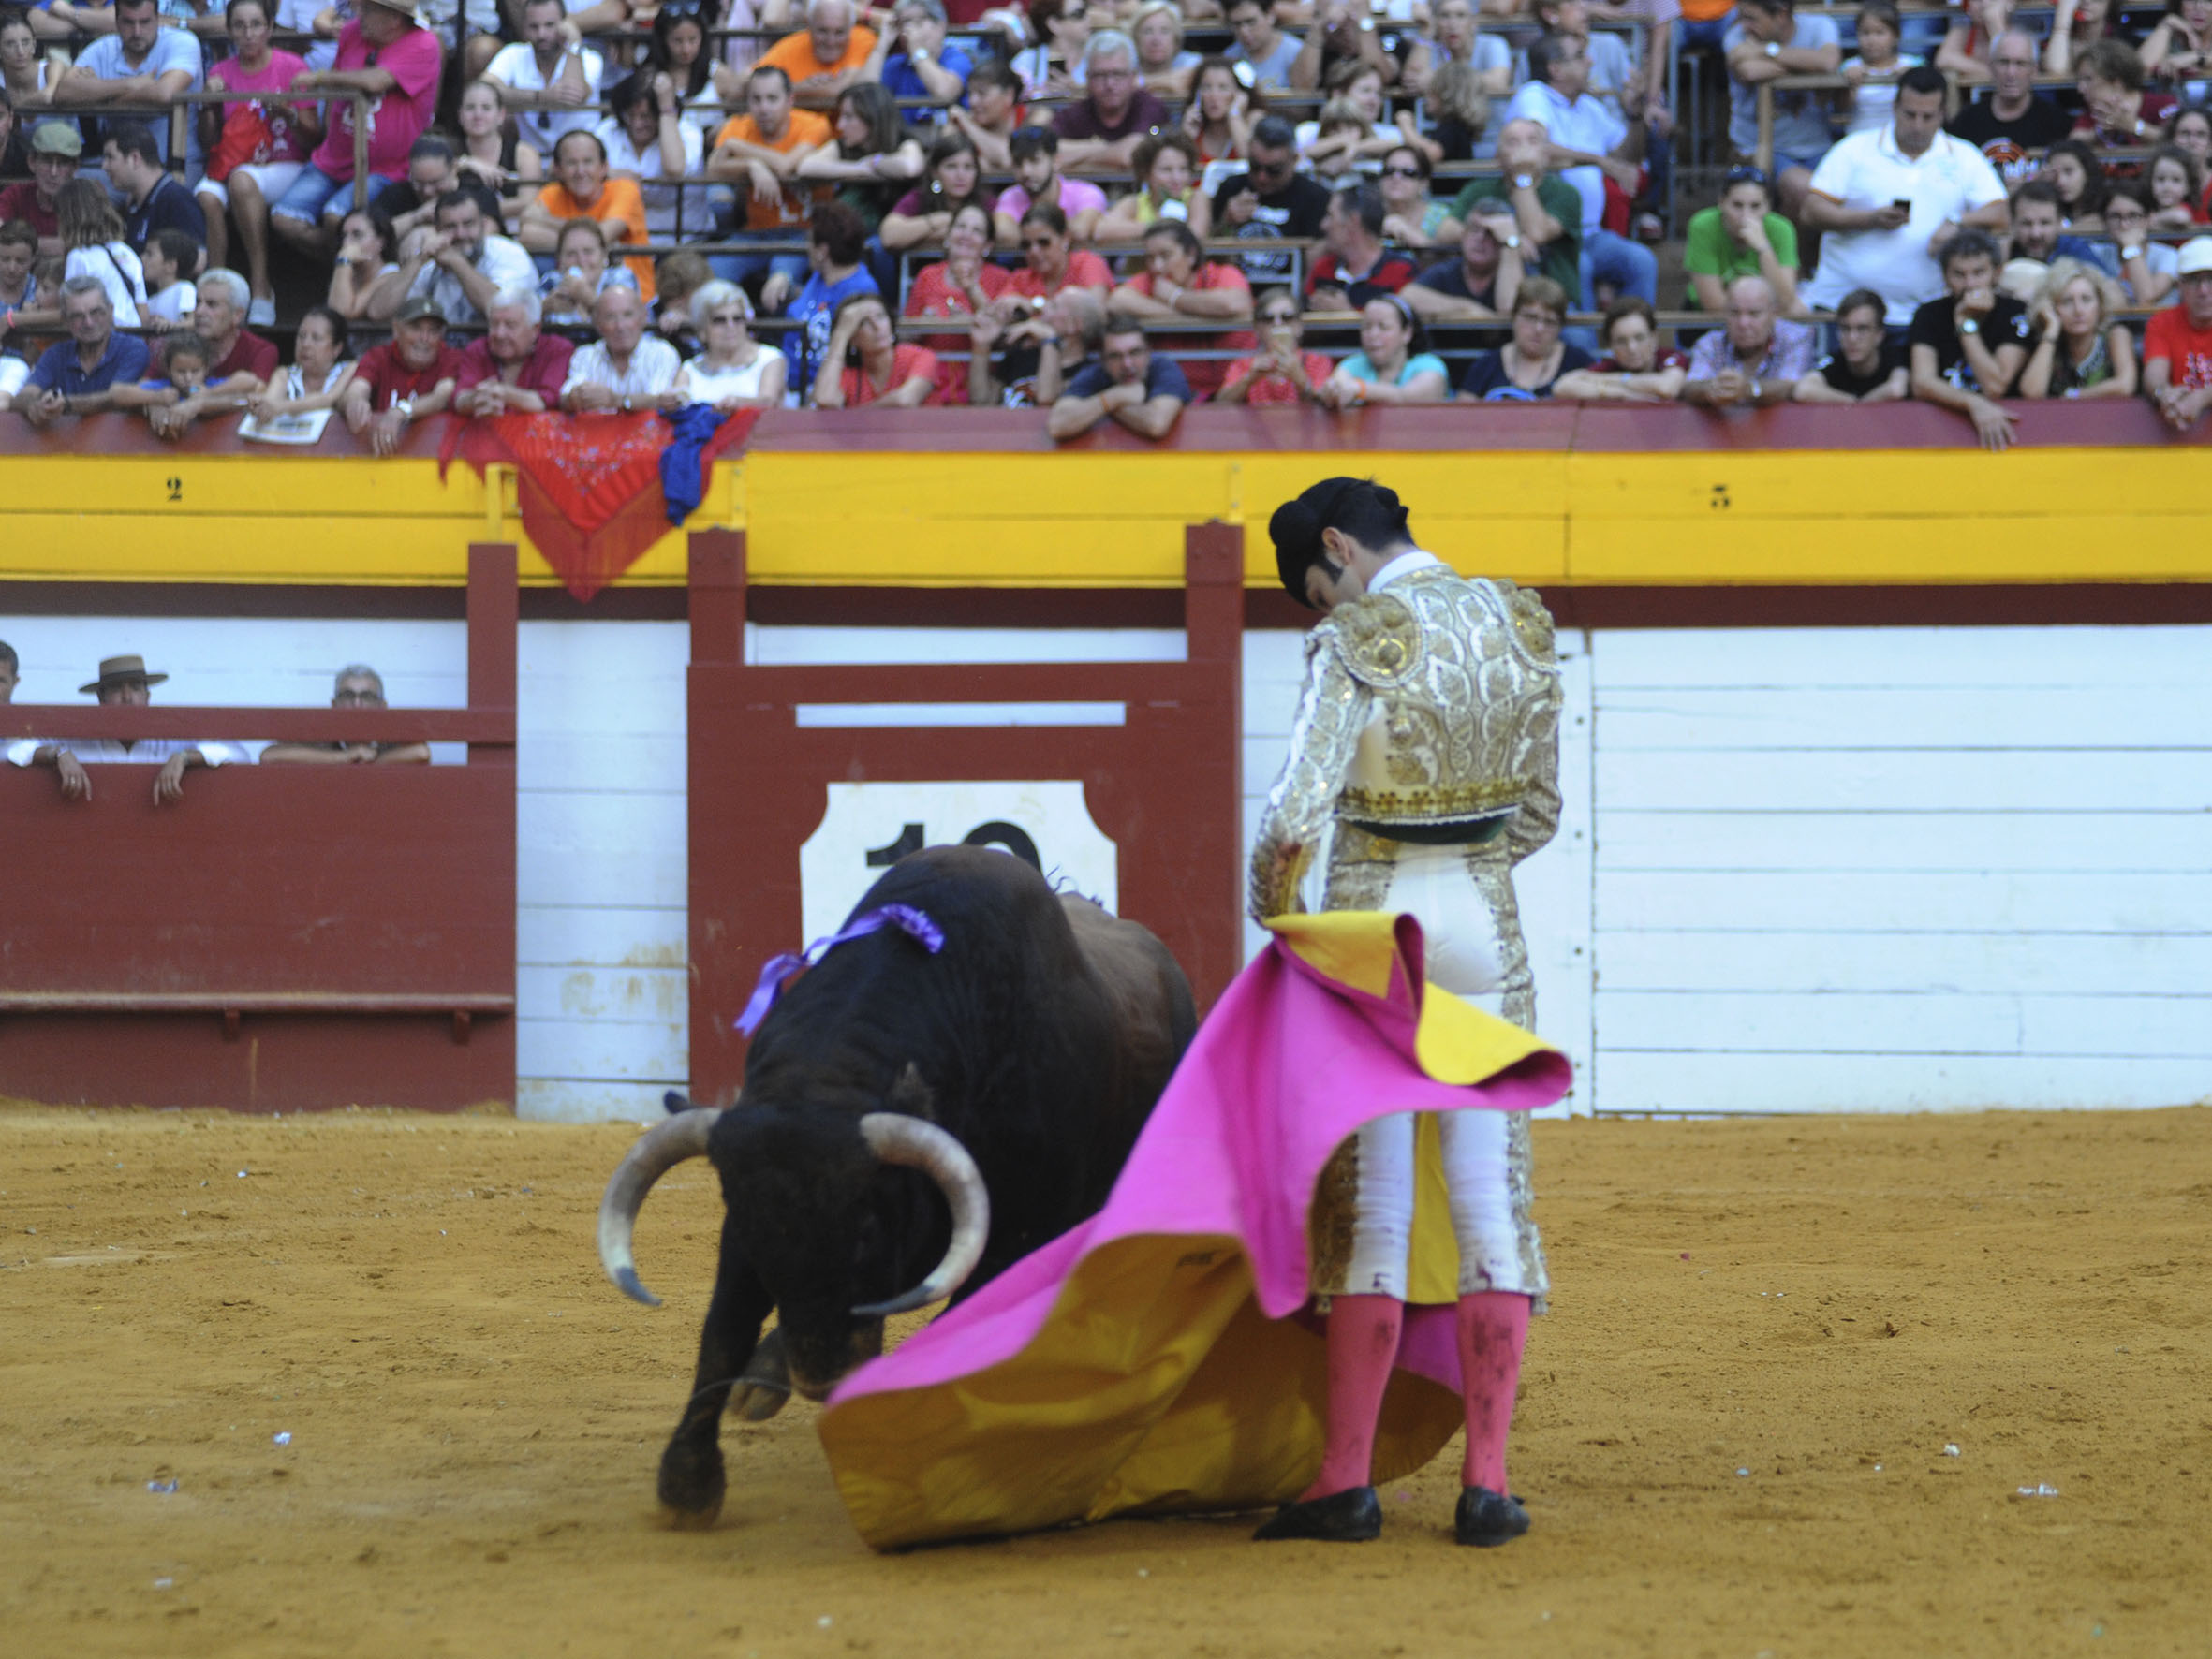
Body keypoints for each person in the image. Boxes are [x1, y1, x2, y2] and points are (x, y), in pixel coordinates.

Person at [1250, 475, 1560, 1550]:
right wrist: (1470, 866)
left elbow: (1292, 817)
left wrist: (1285, 923)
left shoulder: (1359, 639)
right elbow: (1541, 810)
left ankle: (1345, 1483)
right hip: (1488, 924)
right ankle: (1487, 1486)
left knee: (1375, 1209)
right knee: (1491, 1205)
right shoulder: (1519, 621)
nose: (1325, 608)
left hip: (1377, 930)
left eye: (1316, 585)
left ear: (1337, 544)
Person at [1802, 66, 2011, 326]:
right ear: (1895, 107)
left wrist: (1957, 222)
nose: (1917, 125)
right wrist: (1869, 219)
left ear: (1943, 114)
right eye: (1909, 115)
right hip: (1844, 311)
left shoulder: (1964, 156)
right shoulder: (1854, 149)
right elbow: (1810, 211)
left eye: (1928, 116)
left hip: (1925, 314)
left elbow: (2000, 213)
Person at [273, 0, 442, 260]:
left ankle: (345, 272)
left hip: (386, 168)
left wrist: (319, 78)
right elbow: (337, 77)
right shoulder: (352, 32)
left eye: (369, 8)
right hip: (333, 158)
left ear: (395, 18)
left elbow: (376, 81)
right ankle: (340, 260)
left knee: (336, 217)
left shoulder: (424, 43)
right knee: (283, 218)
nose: (358, 13)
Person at [1506, 31, 1655, 309]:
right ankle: (1582, 346)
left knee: (1641, 260)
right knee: (1581, 265)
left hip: (1591, 233)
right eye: (1580, 57)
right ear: (1556, 69)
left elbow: (1627, 156)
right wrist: (1599, 160)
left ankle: (1635, 341)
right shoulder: (1535, 95)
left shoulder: (1588, 107)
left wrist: (1635, 116)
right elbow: (1538, 148)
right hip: (1551, 235)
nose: (1590, 62)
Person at [196, 0, 315, 326]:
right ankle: (215, 291)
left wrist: (288, 113)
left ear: (270, 27)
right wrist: (208, 103)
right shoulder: (220, 72)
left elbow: (312, 139)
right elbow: (208, 141)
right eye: (240, 25)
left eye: (256, 24)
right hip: (234, 161)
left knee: (241, 180)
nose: (248, 34)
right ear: (230, 29)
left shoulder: (293, 67)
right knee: (207, 195)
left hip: (284, 162)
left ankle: (261, 286)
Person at [7, 654, 244, 804]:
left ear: (148, 697)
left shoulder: (170, 741)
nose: (128, 697)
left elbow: (238, 753)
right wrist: (57, 754)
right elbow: (11, 749)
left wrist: (183, 758)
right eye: (117, 688)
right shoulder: (78, 740)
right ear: (101, 698)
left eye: (136, 688)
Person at [708, 64, 832, 300]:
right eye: (756, 99)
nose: (764, 108)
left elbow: (786, 167)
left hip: (803, 232)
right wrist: (751, 166)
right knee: (712, 274)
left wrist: (740, 148)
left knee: (779, 282)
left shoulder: (814, 125)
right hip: (754, 233)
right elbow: (713, 169)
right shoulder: (738, 126)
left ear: (790, 100)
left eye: (772, 99)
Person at [1908, 228, 2032, 450]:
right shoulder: (1928, 314)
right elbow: (1922, 382)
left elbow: (1994, 386)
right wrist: (1973, 403)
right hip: (1939, 428)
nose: (1969, 284)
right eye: (1959, 274)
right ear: (1945, 276)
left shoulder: (2015, 312)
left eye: (1978, 272)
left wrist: (1966, 325)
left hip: (2012, 431)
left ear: (1997, 273)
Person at [1108, 216, 1254, 399]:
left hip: (1232, 391)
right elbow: (1117, 301)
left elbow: (1235, 303)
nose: (1157, 266)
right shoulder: (1150, 281)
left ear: (1191, 255)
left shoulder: (1221, 273)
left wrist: (1175, 297)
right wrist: (1188, 313)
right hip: (1173, 393)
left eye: (1165, 256)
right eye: (1150, 258)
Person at [1439, 119, 1582, 302]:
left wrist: (1522, 176)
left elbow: (1537, 233)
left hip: (1553, 303)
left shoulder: (1565, 193)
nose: (1523, 150)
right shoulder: (1478, 189)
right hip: (1488, 296)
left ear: (1546, 155)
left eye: (1532, 141)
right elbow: (1445, 232)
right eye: (1513, 142)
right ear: (1498, 157)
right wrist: (1507, 238)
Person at [1722, 0, 1841, 215]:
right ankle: (1793, 250)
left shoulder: (1820, 26)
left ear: (1781, 15)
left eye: (1752, 18)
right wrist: (1807, 67)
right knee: (1803, 189)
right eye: (1742, 17)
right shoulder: (1736, 36)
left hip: (1817, 146)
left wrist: (1766, 50)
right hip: (1761, 147)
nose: (1744, 26)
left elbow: (1828, 63)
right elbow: (1751, 72)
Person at [52, 0, 203, 168]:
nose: (137, 32)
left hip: (172, 164)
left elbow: (164, 93)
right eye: (128, 22)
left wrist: (101, 96)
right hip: (114, 168)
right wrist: (132, 84)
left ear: (158, 19)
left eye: (144, 22)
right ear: (117, 22)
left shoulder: (182, 41)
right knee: (74, 186)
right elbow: (63, 92)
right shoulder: (103, 47)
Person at [143, 267, 278, 439]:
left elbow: (257, 398)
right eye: (198, 302)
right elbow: (143, 386)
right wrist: (153, 404)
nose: (199, 312)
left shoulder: (262, 350)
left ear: (237, 315)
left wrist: (202, 403)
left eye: (211, 304)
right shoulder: (178, 345)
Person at [525, 131, 656, 300]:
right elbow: (527, 232)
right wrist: (591, 242)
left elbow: (602, 234)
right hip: (568, 302)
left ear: (604, 167)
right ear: (558, 169)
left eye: (588, 162)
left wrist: (552, 227)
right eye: (571, 163)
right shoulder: (552, 193)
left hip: (630, 300)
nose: (580, 171)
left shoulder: (625, 189)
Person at [902, 199, 1009, 403]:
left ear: (987, 245)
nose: (967, 235)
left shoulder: (1000, 277)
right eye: (961, 227)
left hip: (979, 378)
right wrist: (921, 326)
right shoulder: (928, 275)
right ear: (948, 236)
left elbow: (1003, 338)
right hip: (930, 380)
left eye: (976, 230)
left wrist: (969, 318)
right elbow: (905, 337)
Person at [1210, 115, 1332, 285]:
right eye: (1254, 166)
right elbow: (1209, 256)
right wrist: (1226, 222)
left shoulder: (1315, 197)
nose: (1262, 177)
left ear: (1294, 160)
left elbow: (1316, 265)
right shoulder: (1231, 187)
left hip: (1286, 294)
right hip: (1235, 289)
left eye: (1274, 170)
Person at [390, 187, 535, 327]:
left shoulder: (509, 253)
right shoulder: (430, 262)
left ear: (483, 225)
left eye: (468, 224)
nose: (460, 234)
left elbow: (500, 309)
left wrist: (456, 261)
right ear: (437, 230)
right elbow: (379, 313)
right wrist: (419, 260)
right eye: (450, 226)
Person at [17, 279, 151, 425]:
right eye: (77, 316)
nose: (89, 322)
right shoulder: (55, 354)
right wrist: (33, 405)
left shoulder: (133, 348)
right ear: (65, 321)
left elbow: (115, 399)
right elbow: (25, 394)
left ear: (111, 311)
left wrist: (66, 405)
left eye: (96, 312)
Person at [484, 0, 605, 159]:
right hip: (530, 159)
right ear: (524, 27)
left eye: (549, 25)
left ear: (564, 25)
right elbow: (485, 91)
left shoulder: (589, 59)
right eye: (534, 27)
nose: (541, 34)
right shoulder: (513, 54)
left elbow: (573, 95)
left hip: (578, 161)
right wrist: (540, 96)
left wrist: (574, 45)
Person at [1949, 29, 2070, 187]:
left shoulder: (2056, 122)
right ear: (1991, 67)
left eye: (2020, 63)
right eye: (2004, 62)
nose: (2011, 73)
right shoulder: (1967, 120)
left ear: (2034, 70)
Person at [783, 198, 877, 400]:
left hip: (821, 392)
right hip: (789, 385)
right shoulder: (820, 277)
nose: (807, 247)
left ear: (822, 251)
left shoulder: (861, 290)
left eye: (810, 241)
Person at [342, 293, 460, 454]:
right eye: (416, 328)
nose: (424, 338)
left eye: (432, 331)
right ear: (396, 330)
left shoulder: (450, 358)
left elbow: (441, 397)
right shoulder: (379, 356)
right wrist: (356, 401)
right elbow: (357, 388)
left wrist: (400, 411)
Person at [597, 69, 705, 242]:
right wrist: (605, 175)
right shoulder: (608, 130)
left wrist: (667, 110)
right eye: (630, 115)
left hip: (684, 239)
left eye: (645, 117)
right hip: (623, 239)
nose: (636, 124)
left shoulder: (687, 132)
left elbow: (675, 168)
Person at [1048, 313, 1190, 439]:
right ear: (1103, 360)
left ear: (1148, 353)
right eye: (1115, 356)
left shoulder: (1164, 368)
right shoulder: (1094, 373)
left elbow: (1156, 424)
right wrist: (1114, 397)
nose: (1127, 364)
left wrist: (1100, 405)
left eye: (1135, 352)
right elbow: (1057, 425)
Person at [1684, 164, 1801, 316]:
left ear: (1768, 207)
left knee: (1800, 310)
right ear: (1721, 203)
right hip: (1708, 320)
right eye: (1737, 205)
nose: (1746, 216)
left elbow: (1785, 301)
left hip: (1764, 320)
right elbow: (1713, 305)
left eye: (1755, 206)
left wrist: (1763, 248)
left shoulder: (1782, 229)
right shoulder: (1703, 225)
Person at [1682, 273, 1814, 407]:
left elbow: (1791, 385)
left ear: (1774, 314)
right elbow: (1690, 387)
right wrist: (1711, 388)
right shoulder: (1709, 343)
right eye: (1734, 313)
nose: (1743, 323)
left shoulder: (1796, 337)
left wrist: (1751, 389)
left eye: (1754, 314)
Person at [1051, 30, 1172, 173]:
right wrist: (1107, 148)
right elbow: (1049, 151)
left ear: (1133, 77)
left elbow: (1130, 155)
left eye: (1118, 74)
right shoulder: (1075, 113)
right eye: (1100, 75)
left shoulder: (1149, 106)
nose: (1109, 84)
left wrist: (1082, 153)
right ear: (1088, 79)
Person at [2019, 257, 2139, 398]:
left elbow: (2125, 385)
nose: (2078, 310)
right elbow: (2031, 392)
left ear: (2100, 305)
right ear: (2052, 307)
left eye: (2086, 299)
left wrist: (2074, 395)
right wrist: (2052, 329)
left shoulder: (2116, 335)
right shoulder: (2048, 342)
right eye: (2067, 301)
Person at [259, 664, 428, 765]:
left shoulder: (390, 737)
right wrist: (343, 757)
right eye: (348, 696)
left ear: (382, 706)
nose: (356, 704)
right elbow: (269, 756)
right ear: (334, 705)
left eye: (367, 697)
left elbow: (421, 753)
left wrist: (369, 760)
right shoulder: (321, 735)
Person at [1459, 275, 1591, 400]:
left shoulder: (1580, 363)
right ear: (1514, 317)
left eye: (1550, 322)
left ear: (1561, 327)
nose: (1539, 329)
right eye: (1530, 317)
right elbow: (1463, 417)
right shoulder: (1485, 365)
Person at [967, 286, 1102, 406]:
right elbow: (982, 402)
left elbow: (1046, 399)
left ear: (1074, 325)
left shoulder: (1088, 373)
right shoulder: (1021, 356)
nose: (1042, 311)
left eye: (1054, 306)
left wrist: (1049, 340)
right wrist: (981, 346)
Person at [451, 284, 573, 415]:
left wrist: (504, 394)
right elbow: (459, 399)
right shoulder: (477, 349)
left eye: (510, 325)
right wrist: (475, 399)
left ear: (535, 329)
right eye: (494, 324)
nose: (500, 334)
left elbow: (547, 400)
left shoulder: (556, 349)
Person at [563, 283, 684, 412]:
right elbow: (564, 399)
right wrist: (575, 398)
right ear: (597, 324)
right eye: (610, 317)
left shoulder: (662, 353)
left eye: (628, 315)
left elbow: (659, 401)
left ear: (644, 317)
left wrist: (616, 401)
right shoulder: (584, 356)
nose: (620, 326)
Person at [1318, 290, 1448, 405]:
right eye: (1367, 327)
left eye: (1383, 327)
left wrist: (1359, 389)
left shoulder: (1430, 365)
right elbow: (1339, 388)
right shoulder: (1352, 364)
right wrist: (1332, 391)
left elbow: (1409, 398)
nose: (1373, 335)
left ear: (1407, 333)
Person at [809, 289, 936, 406]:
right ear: (852, 337)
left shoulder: (920, 356)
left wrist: (853, 416)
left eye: (880, 316)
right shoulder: (850, 373)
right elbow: (824, 399)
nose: (876, 326)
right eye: (864, 322)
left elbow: (904, 400)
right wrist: (840, 335)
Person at [676, 280, 788, 411]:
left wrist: (737, 403)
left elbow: (769, 402)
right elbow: (675, 405)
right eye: (719, 320)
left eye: (737, 319)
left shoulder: (770, 359)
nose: (730, 326)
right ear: (702, 329)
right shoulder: (689, 370)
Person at [1553, 295, 1689, 400]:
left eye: (1639, 338)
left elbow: (1666, 388)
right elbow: (1562, 387)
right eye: (1621, 341)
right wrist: (1621, 393)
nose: (1632, 348)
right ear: (1611, 346)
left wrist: (1618, 380)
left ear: (1654, 338)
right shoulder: (1610, 366)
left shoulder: (1671, 357)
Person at [1304, 182, 1415, 310]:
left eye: (1330, 216)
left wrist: (1347, 315)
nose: (1323, 225)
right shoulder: (1322, 268)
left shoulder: (1401, 271)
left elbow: (1401, 326)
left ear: (1352, 221)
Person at [243, 301, 356, 425]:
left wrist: (281, 407)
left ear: (337, 348)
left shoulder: (350, 369)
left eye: (316, 338)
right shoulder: (284, 374)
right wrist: (260, 405)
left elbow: (330, 399)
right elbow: (271, 402)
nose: (306, 344)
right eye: (302, 336)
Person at [881, 127, 993, 252]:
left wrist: (928, 235)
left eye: (968, 167)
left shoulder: (986, 200)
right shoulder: (920, 196)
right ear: (935, 172)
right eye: (951, 167)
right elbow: (889, 237)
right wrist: (939, 220)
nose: (961, 175)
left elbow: (1006, 235)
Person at [56, 179, 147, 330]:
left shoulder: (79, 257)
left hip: (104, 340)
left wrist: (15, 319)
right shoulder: (125, 251)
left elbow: (70, 311)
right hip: (132, 339)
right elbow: (143, 313)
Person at [1216, 287, 1332, 404]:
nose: (1278, 323)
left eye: (1287, 317)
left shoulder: (1316, 361)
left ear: (1299, 326)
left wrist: (1301, 380)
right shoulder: (1245, 363)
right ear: (1257, 329)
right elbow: (1221, 405)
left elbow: (1324, 408)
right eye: (1268, 319)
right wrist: (1249, 378)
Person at [104, 121, 207, 254]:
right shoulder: (135, 204)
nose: (104, 166)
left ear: (135, 158)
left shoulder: (176, 199)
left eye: (110, 157)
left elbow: (199, 259)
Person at [994, 125, 1108, 244]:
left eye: (1034, 161)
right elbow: (1005, 233)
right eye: (1018, 163)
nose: (1026, 171)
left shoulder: (1086, 193)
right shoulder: (1010, 197)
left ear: (1056, 161)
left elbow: (1080, 231)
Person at [1404, 208, 1523, 321]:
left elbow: (1509, 311)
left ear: (1501, 240)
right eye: (1474, 229)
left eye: (1490, 233)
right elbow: (1407, 297)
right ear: (1463, 235)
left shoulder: (1516, 271)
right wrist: (1467, 308)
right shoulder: (1448, 270)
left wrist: (1510, 245)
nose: (1480, 238)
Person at [1792, 286, 1909, 402]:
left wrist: (1857, 406)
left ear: (1880, 334)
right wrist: (1854, 402)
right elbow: (1803, 389)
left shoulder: (1894, 357)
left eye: (1862, 329)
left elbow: (1896, 389)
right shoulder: (1835, 360)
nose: (1852, 338)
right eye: (1845, 329)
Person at [759, 0, 879, 112]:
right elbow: (748, 83)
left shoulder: (862, 39)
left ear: (851, 29)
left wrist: (792, 89)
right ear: (808, 26)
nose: (831, 41)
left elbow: (845, 90)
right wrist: (801, 86)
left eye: (839, 32)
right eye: (823, 31)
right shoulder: (793, 44)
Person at [454, 75, 542, 228]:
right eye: (470, 108)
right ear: (460, 116)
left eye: (486, 108)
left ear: (501, 115)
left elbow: (529, 202)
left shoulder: (524, 153)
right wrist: (468, 163)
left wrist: (475, 212)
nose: (478, 115)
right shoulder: (451, 153)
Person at [2144, 237, 2212, 428]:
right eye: (2193, 280)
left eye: (2211, 278)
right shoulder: (2162, 322)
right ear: (2180, 286)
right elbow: (2154, 373)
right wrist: (2164, 393)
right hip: (2175, 423)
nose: (2204, 290)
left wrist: (2202, 398)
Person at [1098, 130, 1212, 242]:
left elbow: (1196, 235)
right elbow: (1101, 231)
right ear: (1147, 173)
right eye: (1166, 170)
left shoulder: (1196, 198)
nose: (1177, 178)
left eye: (1183, 169)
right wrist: (1158, 225)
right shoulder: (1134, 203)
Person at [1000, 200, 1113, 312]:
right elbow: (999, 310)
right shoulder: (1020, 278)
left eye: (1043, 242)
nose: (1033, 251)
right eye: (1026, 245)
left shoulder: (1088, 263)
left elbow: (1096, 311)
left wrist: (1034, 306)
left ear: (1065, 238)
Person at [2072, 39, 2178, 155]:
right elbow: (2073, 144)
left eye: (2088, 79)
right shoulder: (2093, 112)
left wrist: (2133, 126)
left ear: (2117, 83)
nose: (2080, 89)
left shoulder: (2161, 103)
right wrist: (2099, 131)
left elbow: (2177, 142)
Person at [868, 0, 973, 114]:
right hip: (904, 131)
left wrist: (917, 49)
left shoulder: (956, 58)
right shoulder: (895, 64)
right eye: (903, 23)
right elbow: (862, 97)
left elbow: (945, 93)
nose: (907, 30)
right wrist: (882, 44)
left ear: (940, 26)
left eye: (917, 22)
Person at [1841, 0, 1921, 137]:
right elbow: (1841, 108)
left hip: (1901, 138)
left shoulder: (1913, 65)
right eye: (1865, 33)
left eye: (1879, 33)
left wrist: (1912, 78)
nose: (1872, 40)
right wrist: (1850, 85)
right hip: (1860, 137)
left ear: (1896, 36)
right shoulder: (1849, 67)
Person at [2101, 184, 2183, 305]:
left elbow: (2146, 298)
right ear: (2104, 221)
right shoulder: (2098, 254)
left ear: (2149, 218)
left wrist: (2130, 246)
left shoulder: (2169, 255)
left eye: (2133, 216)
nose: (2124, 225)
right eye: (2115, 217)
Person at [0, 119, 75, 255]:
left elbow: (93, 245)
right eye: (46, 161)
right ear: (32, 162)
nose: (53, 172)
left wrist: (22, 245)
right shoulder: (15, 195)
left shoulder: (85, 199)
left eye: (62, 164)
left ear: (75, 168)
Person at [1184, 54, 1261, 170]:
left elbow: (1252, 162)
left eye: (1223, 88)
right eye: (1206, 87)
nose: (1213, 96)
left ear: (1240, 93)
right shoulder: (1192, 124)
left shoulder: (1254, 119)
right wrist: (1187, 137)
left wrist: (1234, 116)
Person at [328, 206, 406, 320]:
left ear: (381, 242)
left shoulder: (391, 274)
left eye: (357, 235)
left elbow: (343, 312)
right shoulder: (345, 272)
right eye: (344, 236)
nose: (346, 243)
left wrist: (344, 260)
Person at [947, 57, 1023, 171]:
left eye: (982, 94)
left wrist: (968, 125)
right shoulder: (959, 124)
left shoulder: (1032, 117)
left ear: (1009, 94)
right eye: (970, 94)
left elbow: (1009, 159)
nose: (972, 101)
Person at [1377, 144, 1449, 249]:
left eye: (1408, 173)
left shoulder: (1442, 218)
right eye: (1389, 171)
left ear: (1424, 183)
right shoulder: (1365, 212)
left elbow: (1446, 260)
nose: (1396, 178)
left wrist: (1408, 233)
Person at [1223, 0, 1304, 93]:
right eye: (1237, 24)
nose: (1244, 31)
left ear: (1270, 15)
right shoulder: (1230, 56)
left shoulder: (1296, 52)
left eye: (1251, 22)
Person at [1129, 0, 1201, 98]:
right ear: (1136, 39)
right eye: (1148, 31)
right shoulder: (1127, 63)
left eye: (1164, 31)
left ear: (1176, 39)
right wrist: (1168, 82)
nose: (1156, 40)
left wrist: (1140, 82)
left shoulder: (1191, 62)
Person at [2042, 139, 2109, 231]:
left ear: (2087, 172)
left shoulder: (2108, 206)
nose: (2061, 181)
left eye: (2068, 171)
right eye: (2054, 174)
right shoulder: (2047, 210)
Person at [140, 227, 199, 326]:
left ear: (170, 265)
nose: (142, 258)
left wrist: (171, 326)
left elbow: (193, 322)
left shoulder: (184, 289)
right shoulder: (149, 301)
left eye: (149, 254)